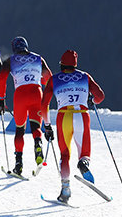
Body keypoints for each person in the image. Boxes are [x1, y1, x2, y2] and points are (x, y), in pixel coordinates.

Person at [40, 50, 105, 203]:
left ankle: (65, 190)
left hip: (64, 117)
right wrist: (91, 100)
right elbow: (100, 97)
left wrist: (47, 125)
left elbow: (44, 105)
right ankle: (84, 162)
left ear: (61, 64)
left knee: (64, 155)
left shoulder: (54, 79)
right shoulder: (85, 76)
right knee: (84, 150)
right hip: (82, 114)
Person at [0, 36, 53, 176]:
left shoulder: (10, 60)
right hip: (37, 92)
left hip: (20, 95)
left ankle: (18, 164)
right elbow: (48, 77)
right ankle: (38, 145)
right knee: (35, 126)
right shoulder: (38, 58)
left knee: (20, 130)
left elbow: (2, 79)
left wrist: (1, 99)